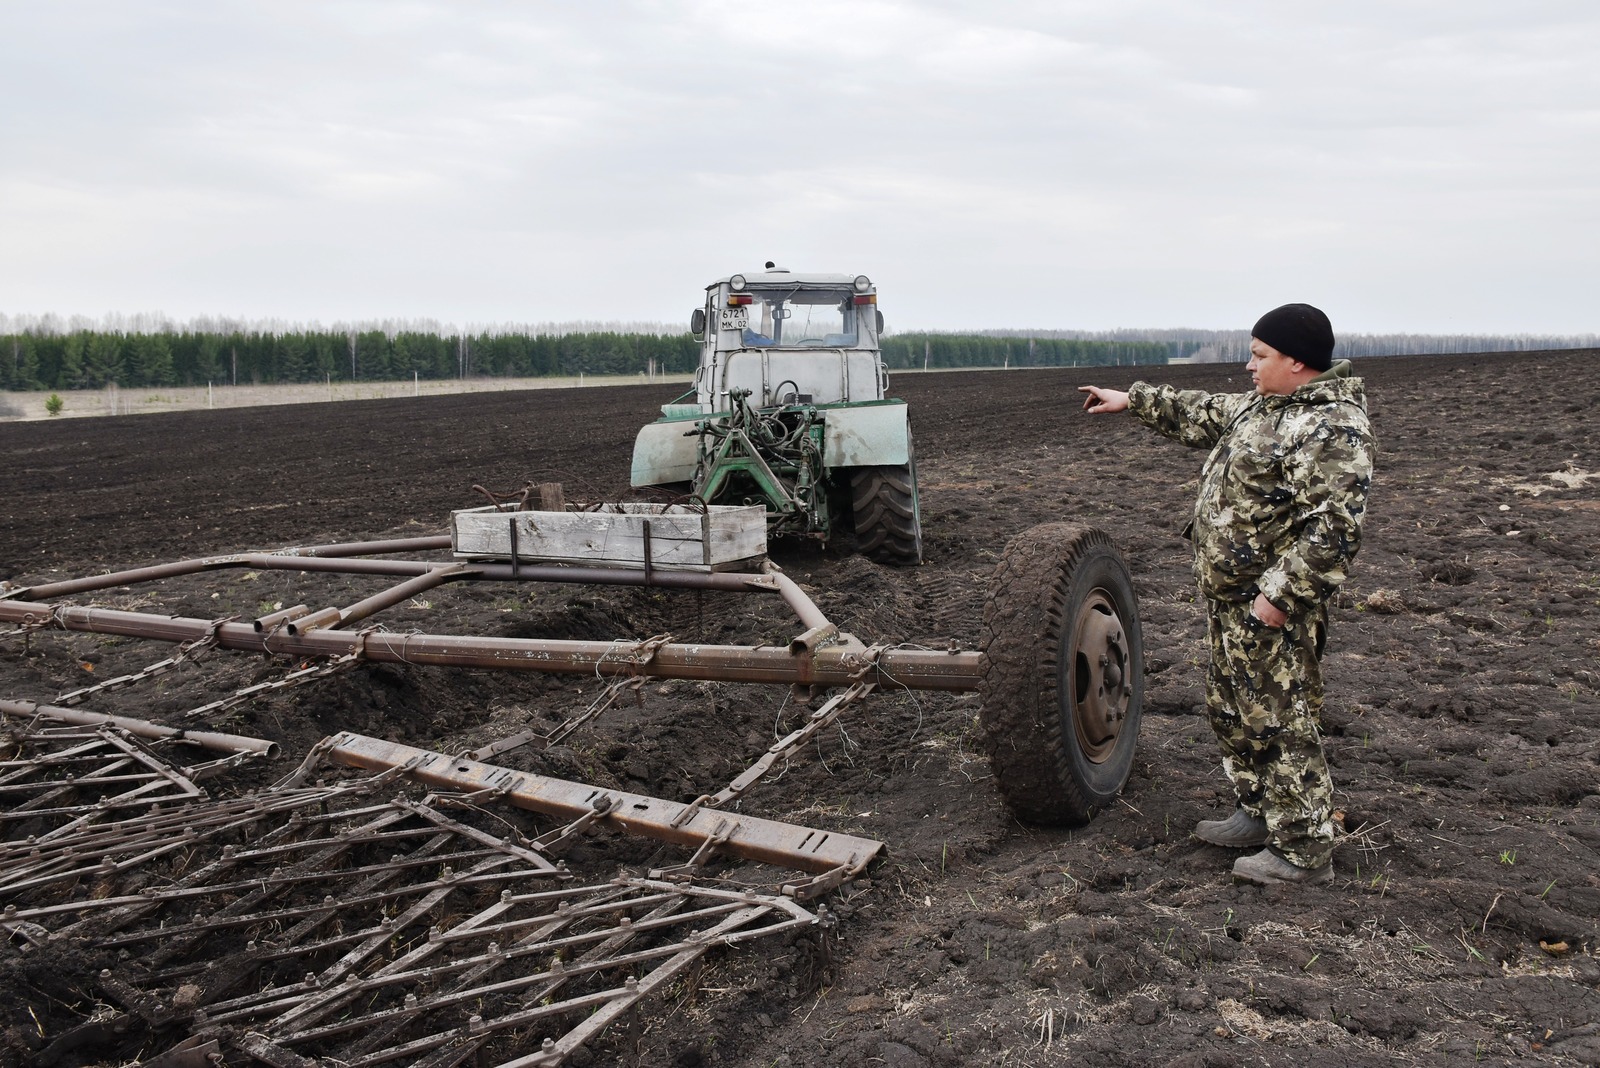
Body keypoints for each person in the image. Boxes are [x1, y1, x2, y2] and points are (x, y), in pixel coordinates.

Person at [1078, 303, 1374, 886]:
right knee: (1232, 707)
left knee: (1280, 717)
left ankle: (1304, 850)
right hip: (1232, 599)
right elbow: (1201, 409)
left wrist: (1281, 597)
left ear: (1296, 362)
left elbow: (1335, 528)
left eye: (1260, 355)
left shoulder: (1330, 426)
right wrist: (1130, 399)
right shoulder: (1267, 407)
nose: (1248, 364)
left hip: (1271, 606)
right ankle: (1258, 812)